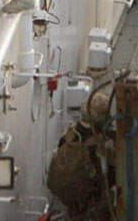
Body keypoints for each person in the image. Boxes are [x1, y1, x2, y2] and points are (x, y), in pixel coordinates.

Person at [46, 92, 115, 221]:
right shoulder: (100, 143)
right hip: (92, 200)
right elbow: (111, 175)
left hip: (70, 198)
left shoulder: (69, 135)